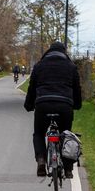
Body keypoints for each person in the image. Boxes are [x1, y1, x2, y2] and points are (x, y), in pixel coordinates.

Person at [23, 41, 82, 178]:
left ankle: (41, 160)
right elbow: (77, 89)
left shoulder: (39, 66)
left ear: (49, 51)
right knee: (66, 134)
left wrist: (28, 105)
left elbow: (32, 88)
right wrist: (77, 104)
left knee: (38, 133)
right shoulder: (71, 66)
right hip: (64, 105)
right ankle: (68, 168)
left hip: (43, 104)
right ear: (64, 52)